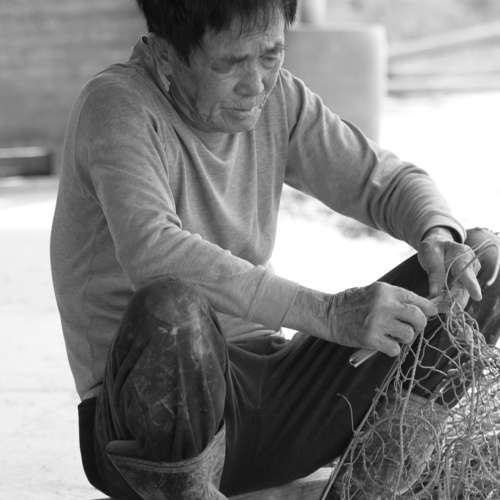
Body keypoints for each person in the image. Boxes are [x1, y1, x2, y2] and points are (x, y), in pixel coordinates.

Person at [50, 1, 500, 499]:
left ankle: (362, 489)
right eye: (229, 64)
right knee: (172, 311)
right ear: (164, 57)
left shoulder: (279, 99)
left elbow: (384, 181)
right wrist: (329, 313)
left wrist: (438, 235)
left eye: (271, 56)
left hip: (272, 393)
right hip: (153, 427)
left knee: (481, 261)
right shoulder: (117, 106)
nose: (255, 84)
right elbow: (153, 253)